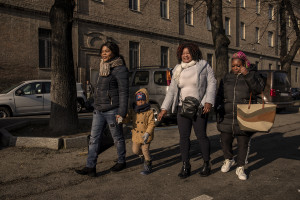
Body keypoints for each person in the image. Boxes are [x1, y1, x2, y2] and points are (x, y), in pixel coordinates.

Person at [158, 43, 217, 178]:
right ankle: (186, 165)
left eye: (188, 53)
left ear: (194, 53)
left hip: (199, 108)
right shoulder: (177, 69)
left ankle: (206, 163)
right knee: (184, 138)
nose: (185, 55)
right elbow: (172, 91)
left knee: (201, 136)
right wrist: (163, 109)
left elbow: (212, 83)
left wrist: (208, 101)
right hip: (182, 108)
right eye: (183, 53)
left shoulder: (203, 65)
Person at [75, 41, 129, 177]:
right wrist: (91, 102)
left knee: (117, 137)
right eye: (102, 51)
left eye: (107, 51)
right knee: (94, 138)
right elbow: (99, 89)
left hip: (112, 109)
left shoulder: (119, 68)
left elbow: (123, 92)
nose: (103, 53)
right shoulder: (102, 66)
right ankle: (90, 166)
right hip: (98, 109)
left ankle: (122, 161)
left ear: (114, 52)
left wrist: (122, 112)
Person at [215, 51, 265, 180]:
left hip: (244, 115)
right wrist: (218, 106)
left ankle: (240, 167)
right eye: (233, 66)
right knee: (225, 140)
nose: (235, 68)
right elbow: (220, 94)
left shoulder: (252, 75)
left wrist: (247, 75)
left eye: (238, 65)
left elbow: (258, 90)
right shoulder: (226, 77)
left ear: (244, 64)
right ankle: (229, 159)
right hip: (227, 115)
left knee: (243, 143)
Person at [123, 88, 155, 175]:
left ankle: (148, 164)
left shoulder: (149, 111)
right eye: (138, 100)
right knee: (135, 151)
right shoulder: (133, 111)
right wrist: (122, 119)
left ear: (146, 100)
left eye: (142, 100)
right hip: (136, 135)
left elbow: (151, 123)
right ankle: (144, 157)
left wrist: (148, 133)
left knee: (145, 150)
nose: (140, 102)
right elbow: (128, 119)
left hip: (146, 136)